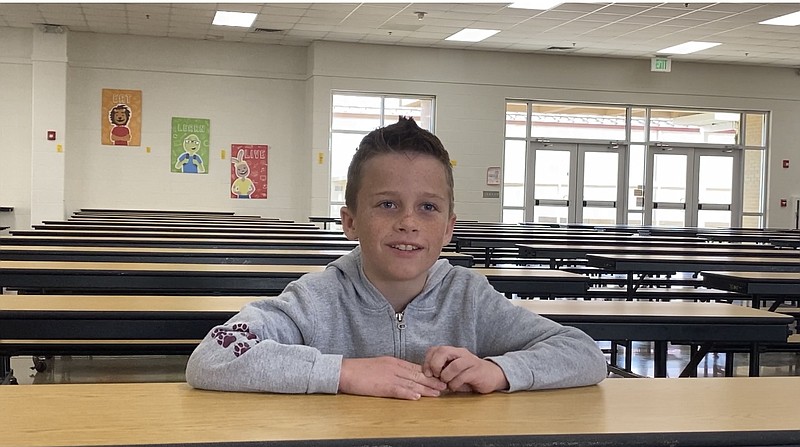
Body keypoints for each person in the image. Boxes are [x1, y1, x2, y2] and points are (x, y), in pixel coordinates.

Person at [185, 117, 607, 400]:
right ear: (350, 222)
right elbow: (214, 357)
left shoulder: (470, 297)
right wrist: (344, 372)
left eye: (428, 207)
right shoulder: (315, 299)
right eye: (387, 204)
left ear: (448, 227)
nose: (408, 222)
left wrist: (498, 370)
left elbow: (583, 353)